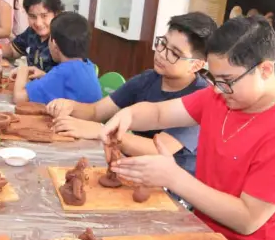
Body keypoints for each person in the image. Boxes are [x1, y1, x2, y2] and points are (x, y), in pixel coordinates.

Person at [102, 16, 275, 240]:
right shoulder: (220, 98)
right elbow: (158, 114)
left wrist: (174, 178)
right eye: (214, 79)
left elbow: (247, 219)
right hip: (205, 230)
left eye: (227, 80)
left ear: (265, 70)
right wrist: (127, 116)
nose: (218, 90)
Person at [49, 11, 216, 175]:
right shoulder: (148, 79)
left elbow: (158, 149)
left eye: (174, 53)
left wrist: (102, 131)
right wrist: (70, 106)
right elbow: (97, 111)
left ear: (196, 65)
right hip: (133, 169)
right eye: (163, 44)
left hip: (172, 188)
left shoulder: (201, 97)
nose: (162, 54)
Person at [14, 11, 101, 105]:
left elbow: (18, 98)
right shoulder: (88, 65)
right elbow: (65, 85)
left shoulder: (62, 73)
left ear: (54, 44)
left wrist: (22, 70)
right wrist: (45, 76)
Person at [3, 0, 61, 74]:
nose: (38, 23)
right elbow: (13, 50)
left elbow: (67, 78)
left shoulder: (62, 39)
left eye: (44, 16)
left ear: (56, 14)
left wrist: (43, 76)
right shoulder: (31, 32)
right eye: (32, 16)